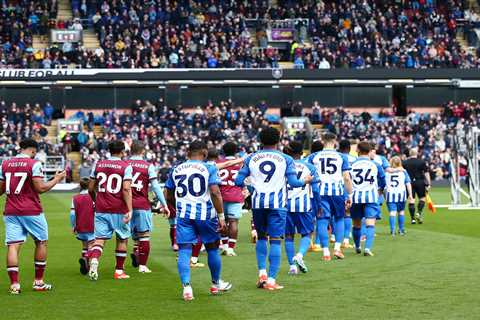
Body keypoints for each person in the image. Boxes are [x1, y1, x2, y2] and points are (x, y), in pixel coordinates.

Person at [235, 127, 312, 291]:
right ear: (278, 140)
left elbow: (238, 180)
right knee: (276, 240)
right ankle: (271, 280)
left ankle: (262, 274)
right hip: (277, 205)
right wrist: (306, 181)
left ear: (260, 140)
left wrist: (250, 188)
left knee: (261, 238)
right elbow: (293, 183)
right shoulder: (286, 159)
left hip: (258, 204)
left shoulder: (251, 158)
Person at [165, 141, 232, 301]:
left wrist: (179, 206)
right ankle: (216, 284)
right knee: (212, 248)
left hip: (184, 217)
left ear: (188, 152)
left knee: (184, 250)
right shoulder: (209, 167)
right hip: (206, 215)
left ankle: (187, 288)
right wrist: (221, 217)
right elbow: (215, 192)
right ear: (203, 151)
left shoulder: (175, 169)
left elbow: (168, 194)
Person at [0, 138, 66, 294]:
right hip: (31, 210)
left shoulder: (5, 164)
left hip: (11, 210)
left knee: (13, 246)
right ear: (33, 150)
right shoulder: (34, 163)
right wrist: (57, 178)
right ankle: (38, 282)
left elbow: (0, 190)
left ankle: (15, 285)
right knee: (41, 242)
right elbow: (41, 188)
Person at [87, 140, 133, 281]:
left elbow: (90, 188)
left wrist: (96, 200)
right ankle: (119, 271)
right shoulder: (126, 167)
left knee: (99, 240)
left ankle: (94, 260)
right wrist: (130, 209)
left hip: (101, 208)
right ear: (122, 152)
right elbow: (126, 189)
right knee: (122, 239)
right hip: (119, 209)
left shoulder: (99, 164)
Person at [307, 132, 353, 261]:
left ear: (322, 141)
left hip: (319, 192)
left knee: (321, 221)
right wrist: (349, 194)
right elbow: (346, 177)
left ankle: (326, 252)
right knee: (339, 219)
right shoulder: (341, 157)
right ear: (335, 141)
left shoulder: (313, 156)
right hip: (337, 192)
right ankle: (337, 248)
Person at [127, 140, 169, 273]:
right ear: (143, 151)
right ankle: (142, 266)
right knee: (144, 234)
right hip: (141, 204)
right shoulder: (148, 166)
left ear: (130, 150)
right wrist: (164, 204)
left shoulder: (124, 164)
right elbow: (155, 187)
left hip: (125, 206)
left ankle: (127, 261)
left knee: (128, 235)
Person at [283, 141, 320, 275]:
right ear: (302, 152)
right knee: (307, 233)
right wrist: (318, 205)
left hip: (285, 205)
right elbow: (315, 190)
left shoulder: (283, 165)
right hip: (303, 205)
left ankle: (292, 267)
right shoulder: (310, 167)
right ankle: (299, 255)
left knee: (288, 236)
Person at [350, 142, 386, 256]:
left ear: (358, 150)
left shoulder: (351, 164)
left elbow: (346, 179)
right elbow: (383, 180)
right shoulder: (375, 164)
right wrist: (380, 190)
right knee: (370, 224)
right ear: (370, 151)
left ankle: (357, 246)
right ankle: (367, 249)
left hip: (355, 197)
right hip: (371, 196)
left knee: (356, 224)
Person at [217, 142, 244, 257]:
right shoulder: (241, 164)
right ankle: (231, 248)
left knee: (221, 221)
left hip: (220, 197)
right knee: (233, 222)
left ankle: (224, 245)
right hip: (235, 196)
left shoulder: (218, 163)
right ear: (236, 151)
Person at [70, 177, 95, 275]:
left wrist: (73, 225)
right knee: (92, 245)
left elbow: (72, 214)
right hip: (92, 225)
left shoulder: (75, 198)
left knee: (84, 246)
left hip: (80, 225)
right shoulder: (93, 197)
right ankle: (86, 259)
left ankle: (86, 265)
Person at [385, 156, 413, 236]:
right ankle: (401, 230)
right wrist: (410, 195)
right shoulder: (403, 171)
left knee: (392, 212)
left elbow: (383, 184)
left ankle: (392, 230)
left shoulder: (387, 172)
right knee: (401, 212)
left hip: (390, 194)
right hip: (401, 195)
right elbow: (408, 183)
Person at [403, 148, 431, 224]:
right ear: (417, 153)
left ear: (409, 153)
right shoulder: (422, 162)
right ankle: (418, 212)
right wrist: (428, 183)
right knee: (422, 198)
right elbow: (426, 173)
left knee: (411, 199)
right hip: (420, 182)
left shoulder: (405, 163)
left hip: (409, 183)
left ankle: (413, 219)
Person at [338, 139, 357, 249]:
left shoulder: (336, 157)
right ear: (349, 149)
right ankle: (345, 239)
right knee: (347, 213)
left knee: (335, 215)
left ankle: (334, 237)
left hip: (336, 188)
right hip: (349, 187)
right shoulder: (354, 159)